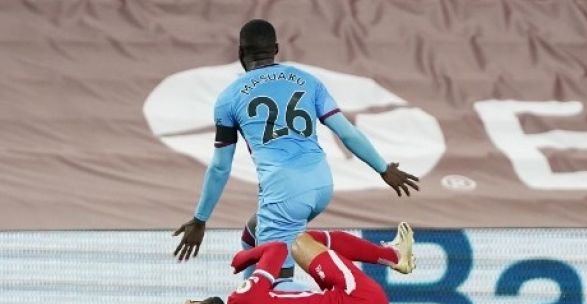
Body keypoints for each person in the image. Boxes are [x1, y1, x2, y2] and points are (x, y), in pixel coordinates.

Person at [171, 19, 420, 289]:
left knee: (275, 288)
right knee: (254, 235)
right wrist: (383, 168)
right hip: (321, 183)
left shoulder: (229, 98)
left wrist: (200, 219)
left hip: (284, 192)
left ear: (240, 52)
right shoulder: (308, 81)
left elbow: (220, 167)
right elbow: (346, 132)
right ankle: (389, 255)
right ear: (276, 49)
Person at [164, 223, 472, 304]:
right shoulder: (240, 301)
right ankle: (394, 256)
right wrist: (245, 256)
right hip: (361, 302)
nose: (190, 300)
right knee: (302, 241)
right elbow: (274, 250)